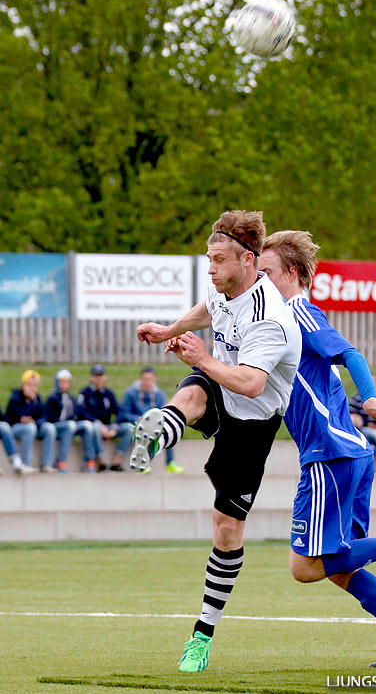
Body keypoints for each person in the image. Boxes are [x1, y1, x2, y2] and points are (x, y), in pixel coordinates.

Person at [258, 230, 376, 668]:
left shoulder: (296, 312)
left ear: (292, 274)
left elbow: (350, 353)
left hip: (331, 456)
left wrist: (370, 398)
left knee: (306, 567)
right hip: (344, 454)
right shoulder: (277, 321)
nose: (260, 281)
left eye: (266, 272)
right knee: (342, 566)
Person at [131, 210, 301, 673]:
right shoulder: (224, 285)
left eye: (219, 260)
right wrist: (172, 331)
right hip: (216, 387)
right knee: (190, 394)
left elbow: (248, 383)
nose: (210, 268)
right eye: (208, 258)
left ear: (248, 261)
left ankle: (202, 635)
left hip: (253, 421)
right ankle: (159, 431)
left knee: (226, 532)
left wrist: (203, 356)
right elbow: (208, 308)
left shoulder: (273, 319)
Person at [116, 366, 183, 474]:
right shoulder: (131, 393)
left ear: (154, 380)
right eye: (145, 379)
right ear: (141, 379)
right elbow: (124, 413)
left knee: (168, 431)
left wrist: (152, 423)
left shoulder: (160, 395)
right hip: (133, 423)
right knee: (135, 431)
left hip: (154, 425)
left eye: (149, 379)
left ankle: (170, 463)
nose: (147, 382)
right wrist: (141, 421)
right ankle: (142, 463)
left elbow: (163, 413)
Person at [76, 364, 130, 471]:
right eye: (96, 376)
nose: (99, 379)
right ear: (92, 378)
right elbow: (81, 412)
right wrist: (98, 423)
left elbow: (119, 411)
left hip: (108, 426)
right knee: (95, 426)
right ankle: (101, 460)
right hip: (95, 425)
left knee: (128, 429)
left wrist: (115, 426)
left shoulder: (108, 393)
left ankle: (116, 461)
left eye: (101, 376)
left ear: (105, 377)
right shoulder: (85, 393)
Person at [45, 369, 98, 473]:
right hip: (57, 425)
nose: (65, 385)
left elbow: (78, 413)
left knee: (87, 425)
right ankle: (60, 461)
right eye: (62, 382)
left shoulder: (72, 398)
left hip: (72, 424)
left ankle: (89, 461)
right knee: (70, 425)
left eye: (67, 382)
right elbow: (49, 416)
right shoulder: (53, 397)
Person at [5, 370, 57, 472]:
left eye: (35, 385)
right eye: (29, 385)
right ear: (23, 385)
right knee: (30, 428)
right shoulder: (15, 396)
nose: (32, 388)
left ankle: (47, 464)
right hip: (16, 427)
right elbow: (12, 415)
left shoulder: (37, 398)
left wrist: (36, 422)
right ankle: (25, 463)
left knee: (49, 428)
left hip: (33, 426)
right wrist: (23, 417)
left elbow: (44, 416)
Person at [0, 406, 31, 474]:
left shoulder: (36, 399)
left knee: (4, 426)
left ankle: (15, 459)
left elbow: (3, 418)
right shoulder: (15, 398)